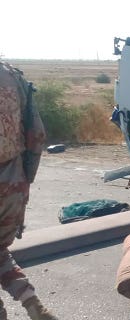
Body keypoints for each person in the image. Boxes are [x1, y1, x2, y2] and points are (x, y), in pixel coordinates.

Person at [0, 61, 57, 320]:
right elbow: (37, 135)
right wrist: (25, 180)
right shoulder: (12, 75)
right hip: (13, 183)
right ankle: (31, 302)